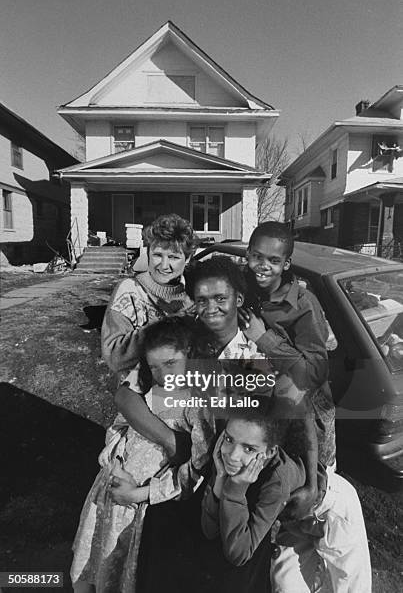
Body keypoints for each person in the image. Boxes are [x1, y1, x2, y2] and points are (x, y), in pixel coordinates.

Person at [71, 317, 215, 593]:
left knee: (118, 563)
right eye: (154, 367)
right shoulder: (149, 390)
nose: (164, 374)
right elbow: (118, 425)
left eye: (171, 363)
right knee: (90, 560)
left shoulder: (198, 403)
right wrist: (113, 462)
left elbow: (196, 467)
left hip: (139, 504)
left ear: (191, 355)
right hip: (109, 487)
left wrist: (139, 493)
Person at [185, 256, 319, 517]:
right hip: (210, 470)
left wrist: (312, 485)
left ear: (238, 300)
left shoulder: (263, 352)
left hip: (255, 474)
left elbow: (302, 415)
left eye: (220, 298)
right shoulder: (194, 348)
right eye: (202, 300)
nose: (211, 307)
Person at [201, 397, 371, 593]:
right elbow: (210, 530)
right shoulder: (227, 462)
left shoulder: (277, 479)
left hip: (333, 512)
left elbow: (238, 553)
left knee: (350, 586)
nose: (232, 455)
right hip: (292, 519)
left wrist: (234, 490)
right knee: (285, 586)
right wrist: (220, 480)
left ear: (270, 451)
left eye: (248, 448)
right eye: (229, 439)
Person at [240, 221, 336, 470]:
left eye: (273, 260)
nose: (263, 266)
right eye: (257, 256)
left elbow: (315, 372)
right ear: (247, 254)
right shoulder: (244, 288)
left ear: (286, 264)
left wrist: (263, 337)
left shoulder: (304, 304)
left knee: (308, 485)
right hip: (266, 404)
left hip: (308, 414)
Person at [101, 213, 196, 462]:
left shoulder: (188, 298)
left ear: (187, 259)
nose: (164, 264)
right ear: (148, 251)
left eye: (174, 257)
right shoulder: (129, 290)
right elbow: (113, 356)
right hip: (138, 409)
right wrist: (165, 325)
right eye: (158, 254)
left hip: (178, 403)